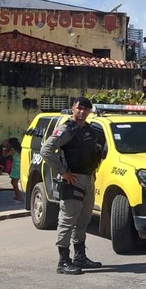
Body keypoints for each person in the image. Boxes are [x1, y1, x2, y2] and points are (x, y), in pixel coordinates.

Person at [41, 97, 106, 275]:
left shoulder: (88, 129)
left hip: (88, 179)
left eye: (86, 109)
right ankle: (63, 262)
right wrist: (63, 172)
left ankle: (80, 257)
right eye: (80, 108)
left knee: (83, 221)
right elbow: (46, 150)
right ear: (73, 108)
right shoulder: (66, 130)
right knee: (67, 221)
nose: (82, 112)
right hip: (73, 180)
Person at [6, 137, 23, 201]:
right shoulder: (19, 149)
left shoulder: (13, 150)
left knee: (14, 183)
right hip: (18, 167)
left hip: (16, 167)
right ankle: (17, 195)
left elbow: (5, 155)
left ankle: (19, 196)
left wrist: (4, 147)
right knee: (13, 182)